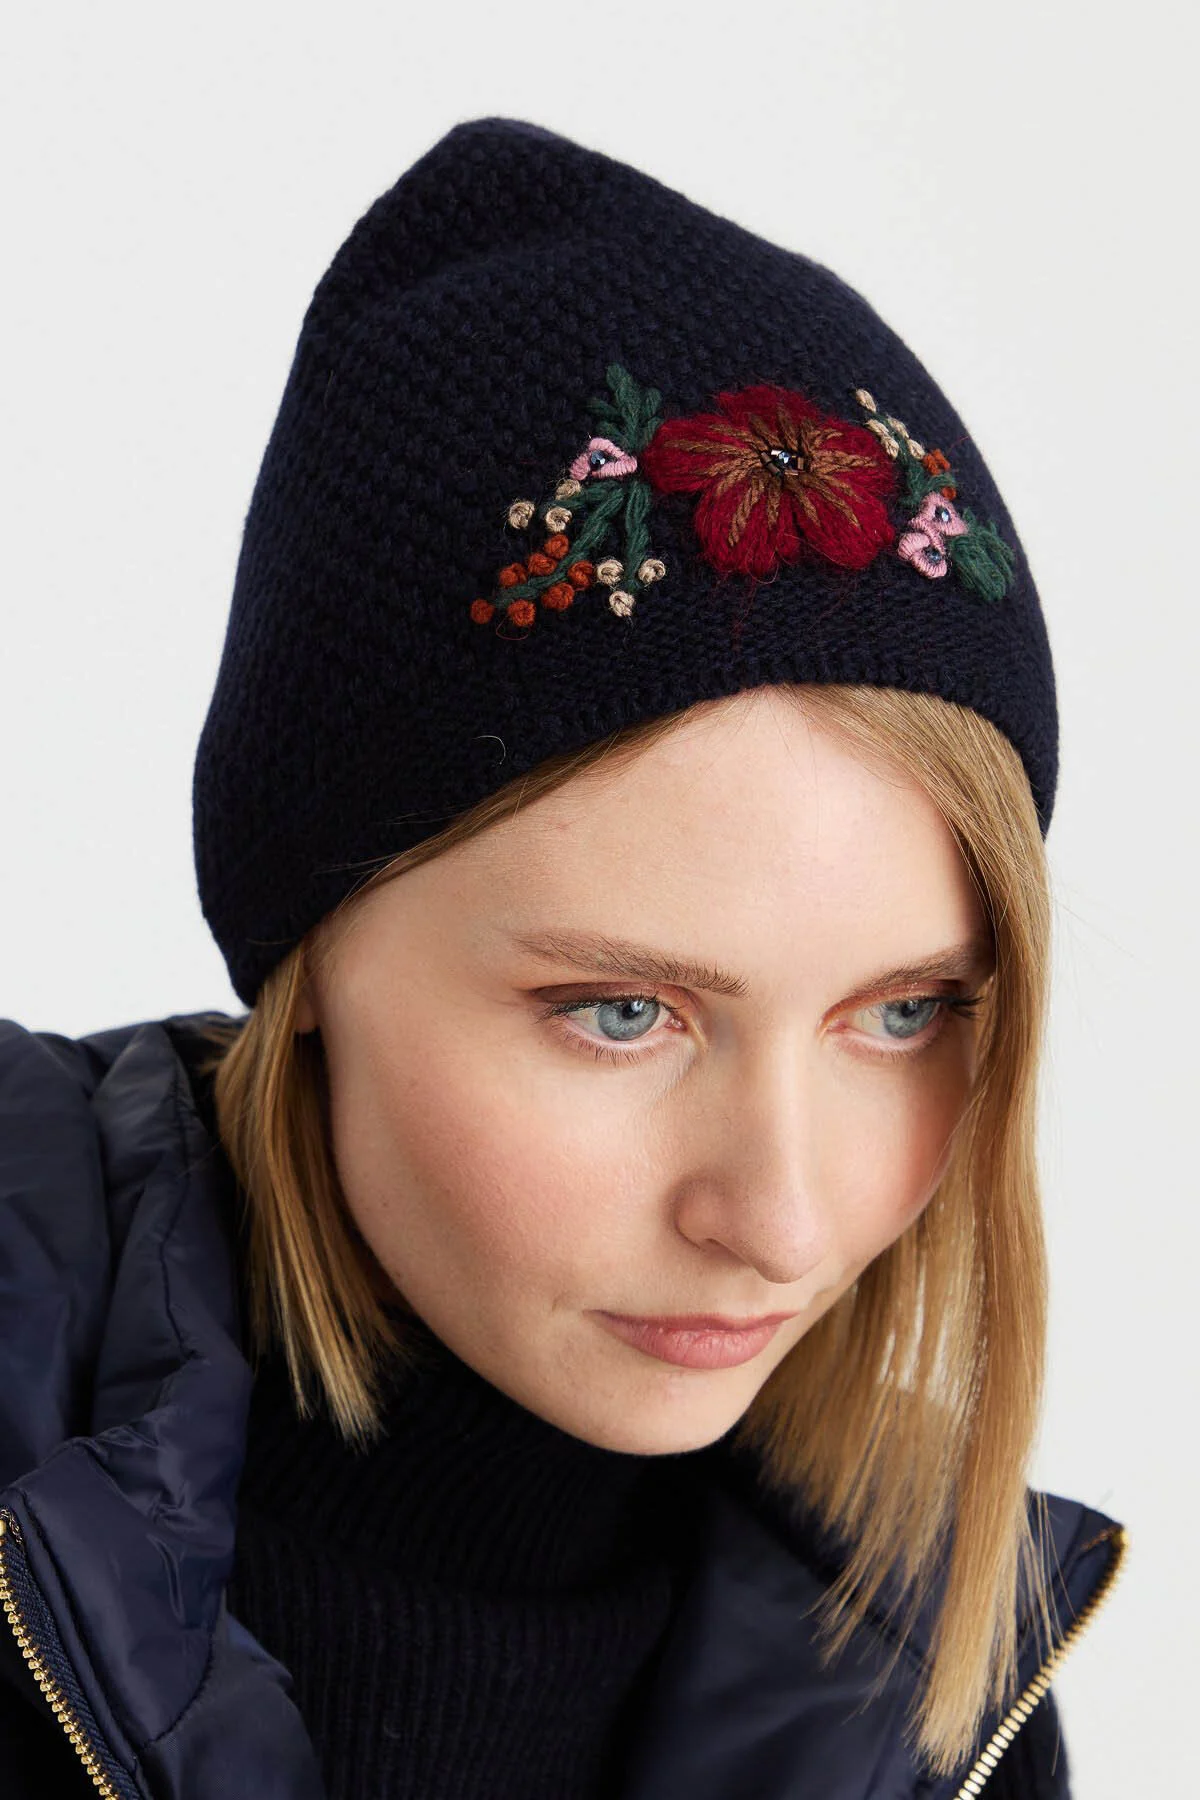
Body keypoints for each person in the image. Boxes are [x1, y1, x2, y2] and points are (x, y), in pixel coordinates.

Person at [0, 116, 1124, 1800]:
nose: (781, 1221)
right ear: (308, 953)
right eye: (621, 1011)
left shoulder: (928, 1689)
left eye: (903, 1013)